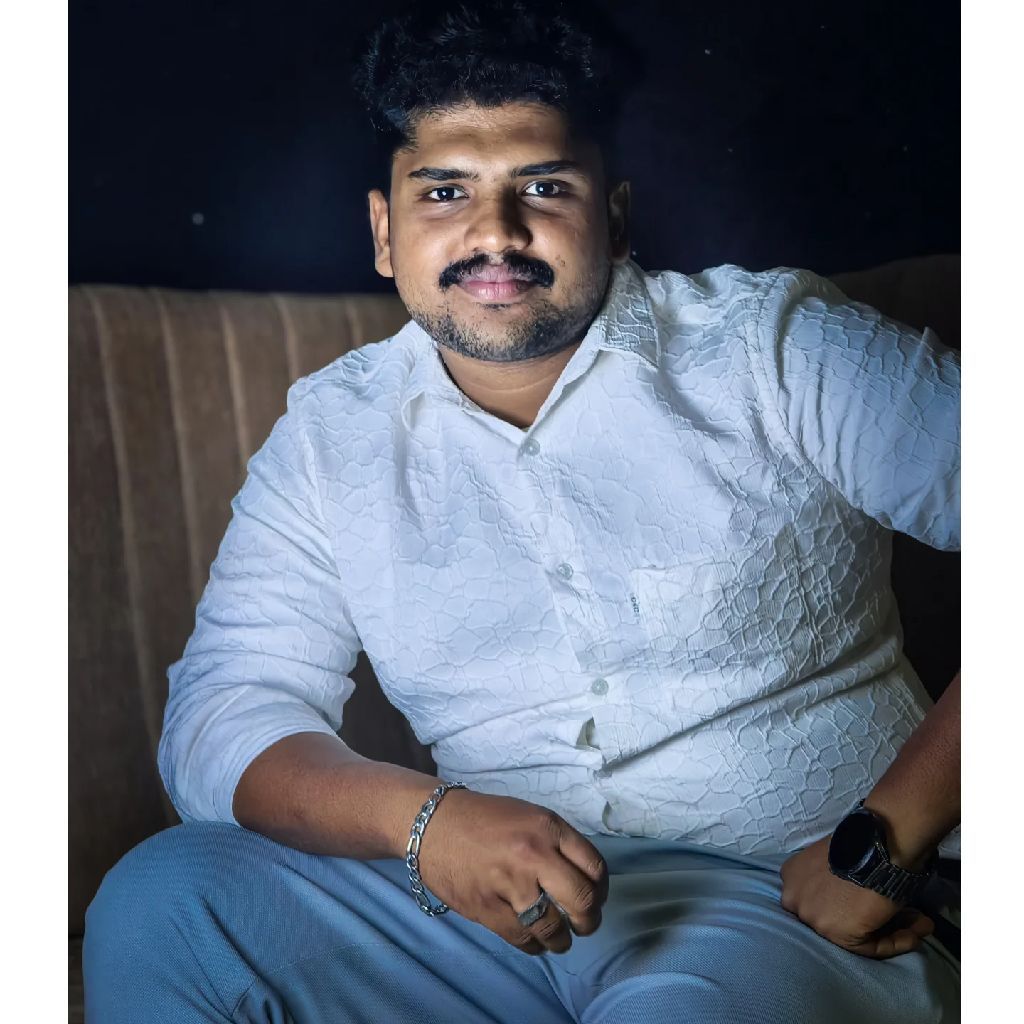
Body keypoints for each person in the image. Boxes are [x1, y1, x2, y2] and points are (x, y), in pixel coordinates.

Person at [83, 2, 961, 1021]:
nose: (494, 232)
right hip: (494, 917)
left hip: (792, 903)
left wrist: (886, 841)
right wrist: (424, 822)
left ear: (615, 219)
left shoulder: (775, 348)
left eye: (543, 187)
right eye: (444, 191)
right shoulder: (331, 435)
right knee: (162, 903)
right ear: (384, 232)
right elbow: (223, 711)